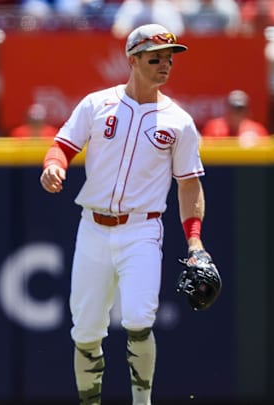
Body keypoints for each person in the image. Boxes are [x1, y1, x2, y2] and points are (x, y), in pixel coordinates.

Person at [39, 23, 211, 405]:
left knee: (138, 318)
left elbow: (189, 183)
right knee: (85, 330)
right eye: (155, 58)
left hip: (142, 229)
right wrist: (55, 166)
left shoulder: (179, 121)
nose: (165, 65)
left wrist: (195, 241)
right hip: (94, 227)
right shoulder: (97, 104)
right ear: (132, 59)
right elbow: (62, 146)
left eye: (169, 58)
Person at [202, 89, 269, 147]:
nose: (237, 114)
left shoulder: (257, 130)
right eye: (233, 109)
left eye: (240, 109)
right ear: (227, 111)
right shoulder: (214, 128)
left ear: (247, 112)